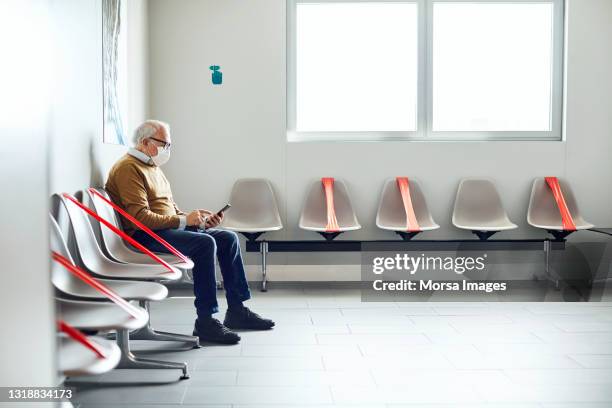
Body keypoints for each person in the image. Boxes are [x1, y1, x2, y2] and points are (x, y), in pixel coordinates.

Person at [105, 119, 274, 344]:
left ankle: (236, 310)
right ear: (145, 142)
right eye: (164, 144)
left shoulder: (152, 167)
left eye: (169, 145)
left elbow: (170, 210)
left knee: (227, 238)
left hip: (162, 231)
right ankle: (205, 321)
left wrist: (199, 223)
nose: (167, 150)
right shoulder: (128, 168)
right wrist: (185, 220)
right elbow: (140, 219)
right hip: (143, 237)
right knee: (205, 245)